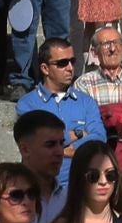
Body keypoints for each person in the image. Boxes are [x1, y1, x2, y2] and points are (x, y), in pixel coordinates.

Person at [14, 39, 107, 188]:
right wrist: (78, 134)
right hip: (39, 190)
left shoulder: (86, 102)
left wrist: (70, 149)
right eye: (62, 63)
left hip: (81, 188)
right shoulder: (27, 104)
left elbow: (99, 138)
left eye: (72, 61)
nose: (70, 68)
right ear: (45, 68)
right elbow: (36, 143)